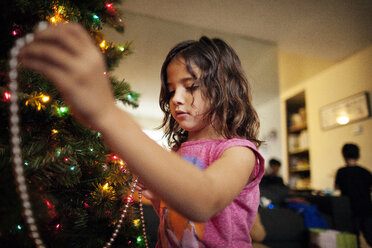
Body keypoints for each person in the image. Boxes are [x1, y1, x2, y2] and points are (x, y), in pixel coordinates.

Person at [19, 23, 265, 247]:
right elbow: (177, 219)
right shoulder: (179, 152)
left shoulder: (240, 152)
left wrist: (107, 114)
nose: (176, 99)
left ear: (224, 89)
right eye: (171, 91)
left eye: (190, 86)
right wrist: (159, 198)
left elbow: (204, 201)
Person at [335, 143, 372, 247]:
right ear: (358, 155)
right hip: (366, 208)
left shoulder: (341, 172)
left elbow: (336, 188)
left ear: (343, 155)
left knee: (353, 240)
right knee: (370, 235)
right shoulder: (366, 172)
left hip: (351, 209)